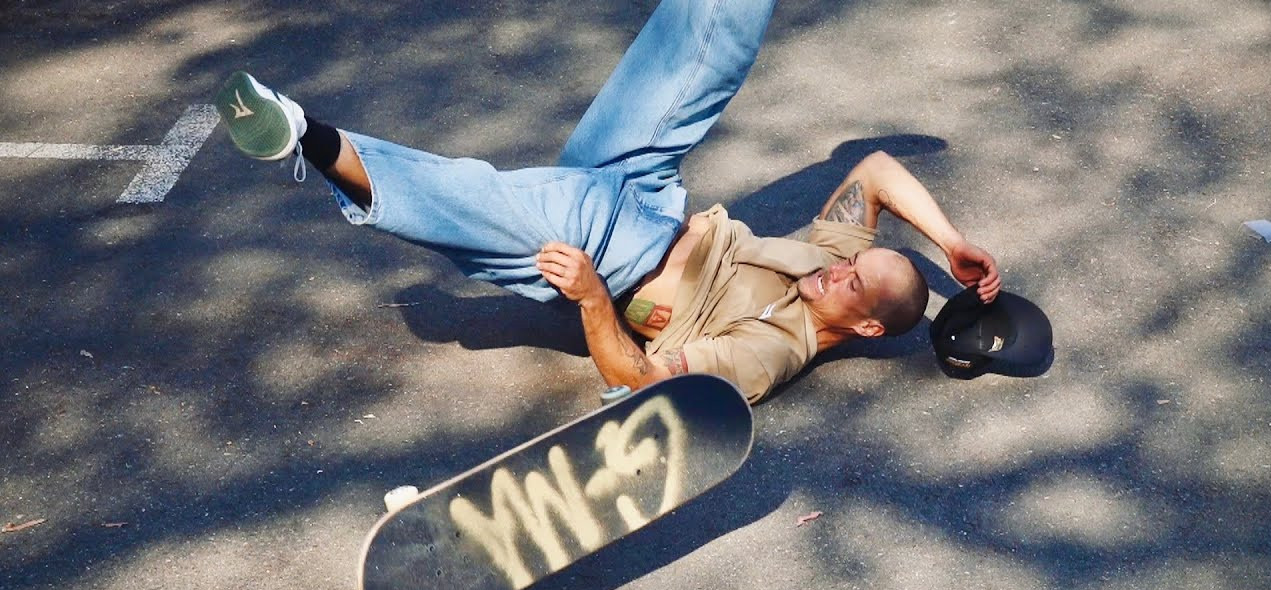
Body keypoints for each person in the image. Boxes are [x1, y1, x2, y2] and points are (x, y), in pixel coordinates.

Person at [214, 0, 1000, 404]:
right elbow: (878, 170)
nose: (838, 271)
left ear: (865, 327)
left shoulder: (773, 352)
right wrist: (951, 243)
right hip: (647, 193)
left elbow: (643, 378)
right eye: (854, 262)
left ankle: (305, 135)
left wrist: (593, 298)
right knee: (703, 58)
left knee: (471, 203)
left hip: (614, 252)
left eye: (853, 284)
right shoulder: (837, 260)